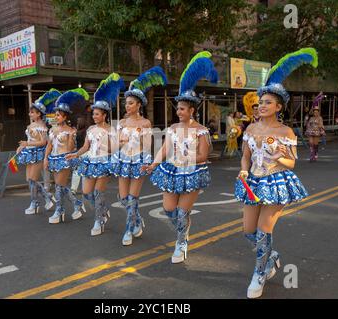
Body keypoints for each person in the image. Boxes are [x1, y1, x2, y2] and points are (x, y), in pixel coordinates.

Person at [235, 48, 316, 299]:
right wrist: (243, 170)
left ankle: (259, 273)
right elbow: (246, 155)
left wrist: (277, 155)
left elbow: (291, 163)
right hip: (254, 182)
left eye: (268, 102)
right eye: (260, 102)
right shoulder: (250, 129)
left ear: (278, 106)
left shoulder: (286, 132)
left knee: (263, 231)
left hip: (277, 182)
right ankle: (271, 256)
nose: (261, 106)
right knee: (248, 231)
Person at [143, 51, 217, 264]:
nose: (179, 112)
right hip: (172, 171)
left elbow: (204, 155)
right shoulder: (173, 128)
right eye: (178, 108)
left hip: (192, 172)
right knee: (168, 210)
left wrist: (187, 158)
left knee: (183, 212)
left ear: (192, 110)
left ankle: (181, 242)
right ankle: (183, 232)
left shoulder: (201, 130)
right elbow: (165, 149)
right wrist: (153, 164)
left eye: (183, 109)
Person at [110, 66, 167, 246]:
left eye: (131, 103)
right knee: (122, 197)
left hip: (139, 160)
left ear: (139, 105)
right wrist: (123, 140)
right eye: (126, 103)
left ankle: (128, 230)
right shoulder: (121, 122)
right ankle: (137, 219)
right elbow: (115, 143)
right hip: (123, 159)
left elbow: (149, 145)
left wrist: (141, 136)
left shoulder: (145, 122)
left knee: (133, 198)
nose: (127, 106)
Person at [67, 73, 123, 236]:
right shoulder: (91, 130)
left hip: (105, 163)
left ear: (104, 115)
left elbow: (113, 149)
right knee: (86, 193)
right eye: (93, 114)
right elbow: (86, 146)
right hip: (91, 163)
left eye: (97, 114)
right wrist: (75, 154)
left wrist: (121, 143)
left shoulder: (111, 130)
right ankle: (103, 209)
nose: (94, 116)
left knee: (98, 192)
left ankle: (99, 221)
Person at [44, 89, 89, 224]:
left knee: (59, 186)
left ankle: (60, 211)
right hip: (53, 159)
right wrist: (46, 158)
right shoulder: (52, 130)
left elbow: (70, 149)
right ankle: (77, 203)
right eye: (55, 115)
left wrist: (71, 136)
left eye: (58, 115)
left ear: (65, 117)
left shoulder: (71, 131)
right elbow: (49, 146)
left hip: (64, 159)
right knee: (62, 186)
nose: (56, 117)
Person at [16, 92, 55, 215]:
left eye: (33, 112)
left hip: (38, 153)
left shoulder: (41, 126)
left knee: (33, 179)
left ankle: (34, 203)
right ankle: (47, 197)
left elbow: (43, 142)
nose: (30, 114)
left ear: (39, 114)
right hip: (29, 152)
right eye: (30, 112)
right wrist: (22, 147)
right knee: (29, 179)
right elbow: (29, 140)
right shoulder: (31, 124)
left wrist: (27, 144)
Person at [305, 92, 326, 162]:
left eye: (317, 112)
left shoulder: (320, 118)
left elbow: (321, 124)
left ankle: (316, 154)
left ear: (318, 112)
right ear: (313, 112)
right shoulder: (310, 118)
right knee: (311, 143)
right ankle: (312, 155)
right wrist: (306, 123)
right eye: (314, 112)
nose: (315, 113)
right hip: (311, 131)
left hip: (317, 131)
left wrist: (321, 129)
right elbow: (307, 124)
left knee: (315, 144)